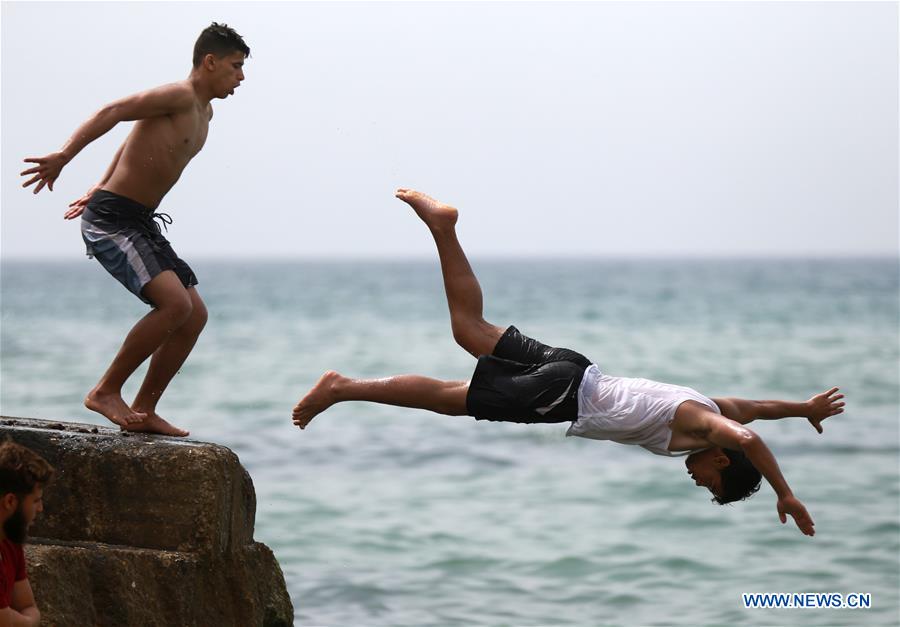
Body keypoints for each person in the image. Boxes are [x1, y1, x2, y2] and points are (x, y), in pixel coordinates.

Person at [292, 189, 845, 537]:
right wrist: (785, 492)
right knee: (449, 400)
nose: (697, 482)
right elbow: (747, 436)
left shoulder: (707, 413)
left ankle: (443, 226)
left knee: (470, 330)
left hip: (576, 368)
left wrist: (802, 408)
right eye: (708, 484)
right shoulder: (705, 429)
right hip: (565, 397)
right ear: (720, 463)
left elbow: (751, 409)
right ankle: (343, 387)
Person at [20, 23, 250, 437]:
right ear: (209, 62)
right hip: (113, 220)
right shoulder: (178, 95)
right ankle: (105, 390)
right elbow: (115, 112)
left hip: (139, 221)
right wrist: (65, 156)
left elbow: (134, 137)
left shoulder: (205, 112)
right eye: (235, 67)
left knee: (194, 314)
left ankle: (144, 409)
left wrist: (99, 183)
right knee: (174, 306)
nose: (241, 77)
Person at [0, 440, 54, 627]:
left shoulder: (9, 542)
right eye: (35, 501)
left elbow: (27, 606)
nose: (40, 508)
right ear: (10, 501)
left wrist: (21, 622)